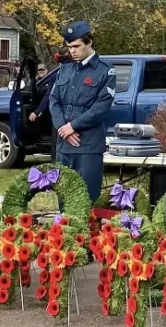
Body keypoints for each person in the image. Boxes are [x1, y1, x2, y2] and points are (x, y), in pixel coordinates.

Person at [49, 21, 116, 201]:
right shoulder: (65, 69)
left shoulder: (104, 71)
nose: (72, 51)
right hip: (64, 144)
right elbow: (54, 100)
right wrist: (63, 128)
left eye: (77, 46)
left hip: (88, 146)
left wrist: (73, 126)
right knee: (64, 196)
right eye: (70, 47)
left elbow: (101, 108)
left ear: (89, 42)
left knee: (85, 198)